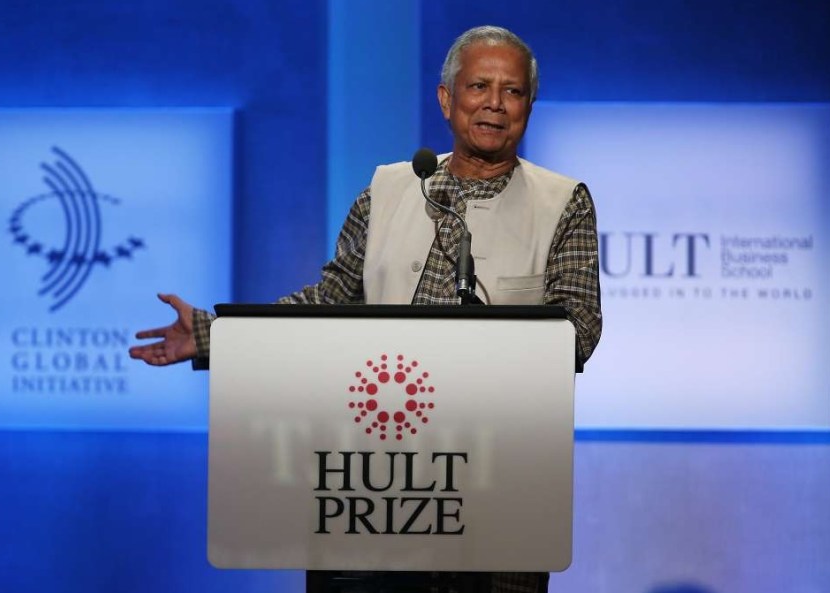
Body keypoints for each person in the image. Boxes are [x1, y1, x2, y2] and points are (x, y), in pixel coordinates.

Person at [131, 25, 601, 593]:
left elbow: (578, 329)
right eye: (479, 86)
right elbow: (329, 302)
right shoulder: (390, 189)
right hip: (370, 482)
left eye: (514, 91)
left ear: (529, 105)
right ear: (446, 98)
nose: (495, 104)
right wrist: (212, 334)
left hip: (497, 483)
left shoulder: (562, 202)